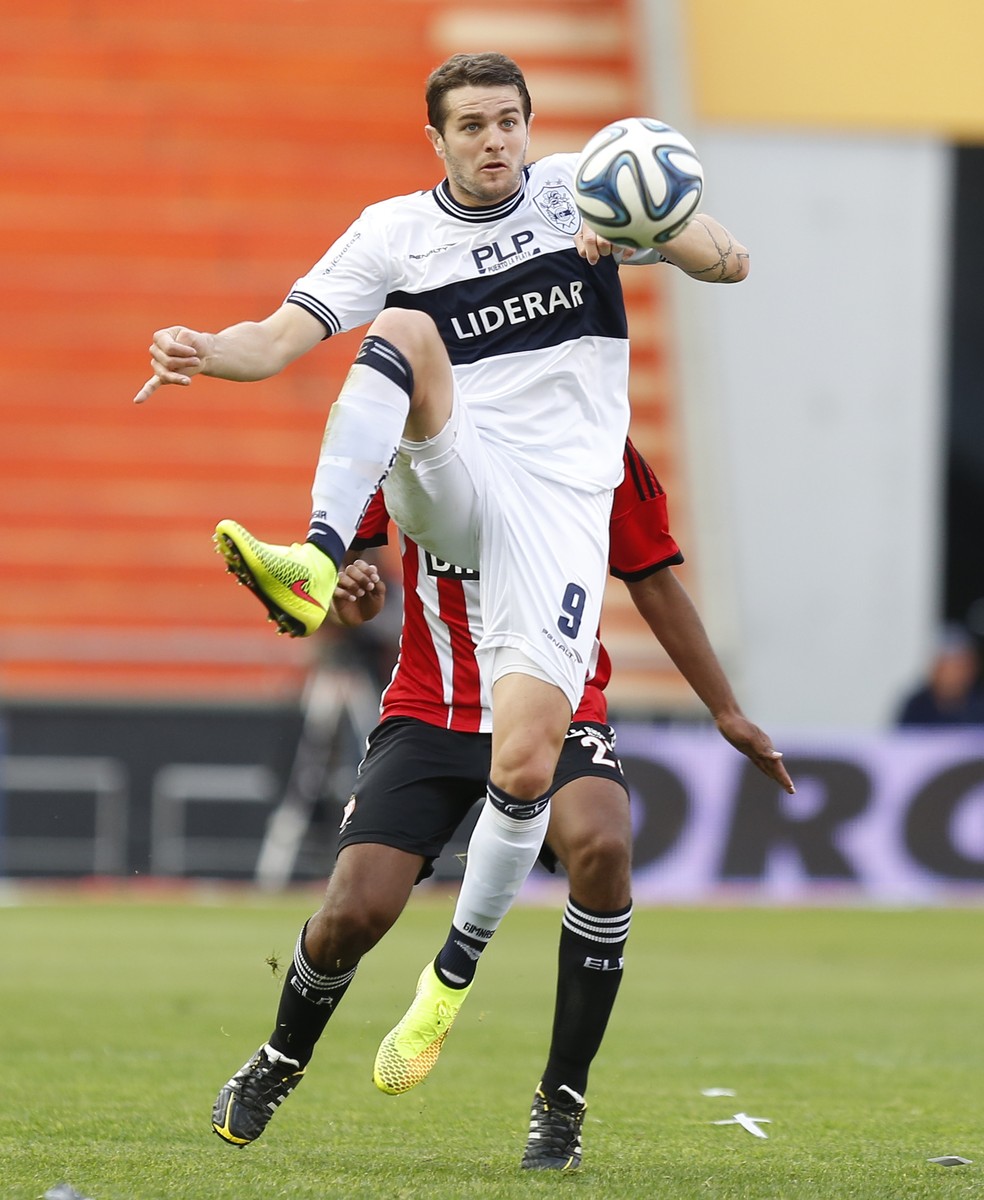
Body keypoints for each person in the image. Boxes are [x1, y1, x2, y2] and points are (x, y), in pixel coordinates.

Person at [136, 52, 749, 1103]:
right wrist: (203, 348)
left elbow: (727, 262)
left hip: (558, 508)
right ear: (438, 139)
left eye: (508, 120)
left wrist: (647, 225)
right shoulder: (394, 233)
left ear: (529, 124)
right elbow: (272, 342)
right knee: (404, 328)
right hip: (460, 476)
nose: (494, 140)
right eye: (471, 125)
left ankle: (456, 985)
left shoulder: (580, 189)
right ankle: (314, 554)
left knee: (530, 768)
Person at [210, 440, 793, 1169]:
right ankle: (282, 1055)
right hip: (431, 710)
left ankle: (563, 1100)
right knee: (356, 912)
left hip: (559, 705)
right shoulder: (416, 429)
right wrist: (350, 594)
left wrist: (726, 710)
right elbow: (347, 581)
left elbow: (652, 578)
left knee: (604, 847)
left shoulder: (599, 439)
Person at [896, 622, 984, 727]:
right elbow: (902, 735)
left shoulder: (979, 706)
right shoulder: (916, 706)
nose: (950, 676)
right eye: (944, 667)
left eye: (957, 667)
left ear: (971, 670)